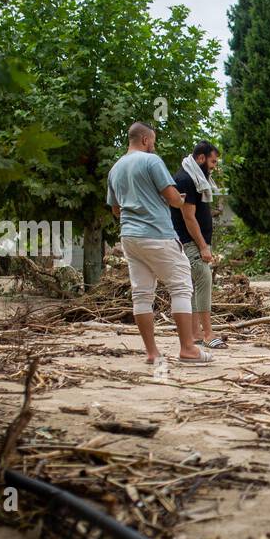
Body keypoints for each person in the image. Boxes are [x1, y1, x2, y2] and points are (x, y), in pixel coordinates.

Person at [105, 122, 211, 365]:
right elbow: (174, 199)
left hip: (130, 237)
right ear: (145, 140)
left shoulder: (115, 168)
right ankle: (188, 349)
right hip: (157, 234)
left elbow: (116, 210)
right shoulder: (151, 161)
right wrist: (177, 199)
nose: (154, 145)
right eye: (152, 140)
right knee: (181, 286)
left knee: (141, 294)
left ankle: (152, 353)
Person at [170, 141, 226, 350]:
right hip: (188, 240)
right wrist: (203, 246)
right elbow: (188, 217)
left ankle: (195, 333)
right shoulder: (186, 179)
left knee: (192, 284)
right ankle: (208, 334)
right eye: (212, 161)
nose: (213, 166)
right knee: (203, 276)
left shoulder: (197, 177)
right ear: (201, 158)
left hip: (194, 240)